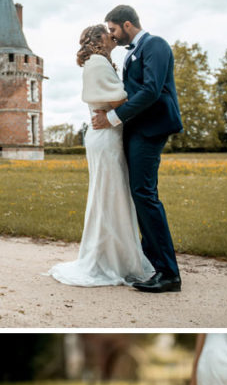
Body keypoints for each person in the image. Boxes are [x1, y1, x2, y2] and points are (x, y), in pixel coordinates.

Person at [47, 25, 154, 288]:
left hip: (109, 134)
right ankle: (108, 259)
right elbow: (119, 101)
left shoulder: (100, 62)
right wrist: (144, 96)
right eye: (108, 32)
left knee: (114, 195)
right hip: (105, 136)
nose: (112, 35)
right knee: (109, 195)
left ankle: (119, 257)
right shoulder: (96, 63)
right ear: (98, 39)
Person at [92, 5, 182, 293]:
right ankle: (153, 263)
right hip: (137, 129)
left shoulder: (155, 45)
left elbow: (152, 90)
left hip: (151, 128)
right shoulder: (132, 52)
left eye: (113, 29)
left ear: (127, 24)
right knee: (139, 193)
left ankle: (168, 273)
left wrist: (112, 119)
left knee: (145, 193)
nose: (112, 36)